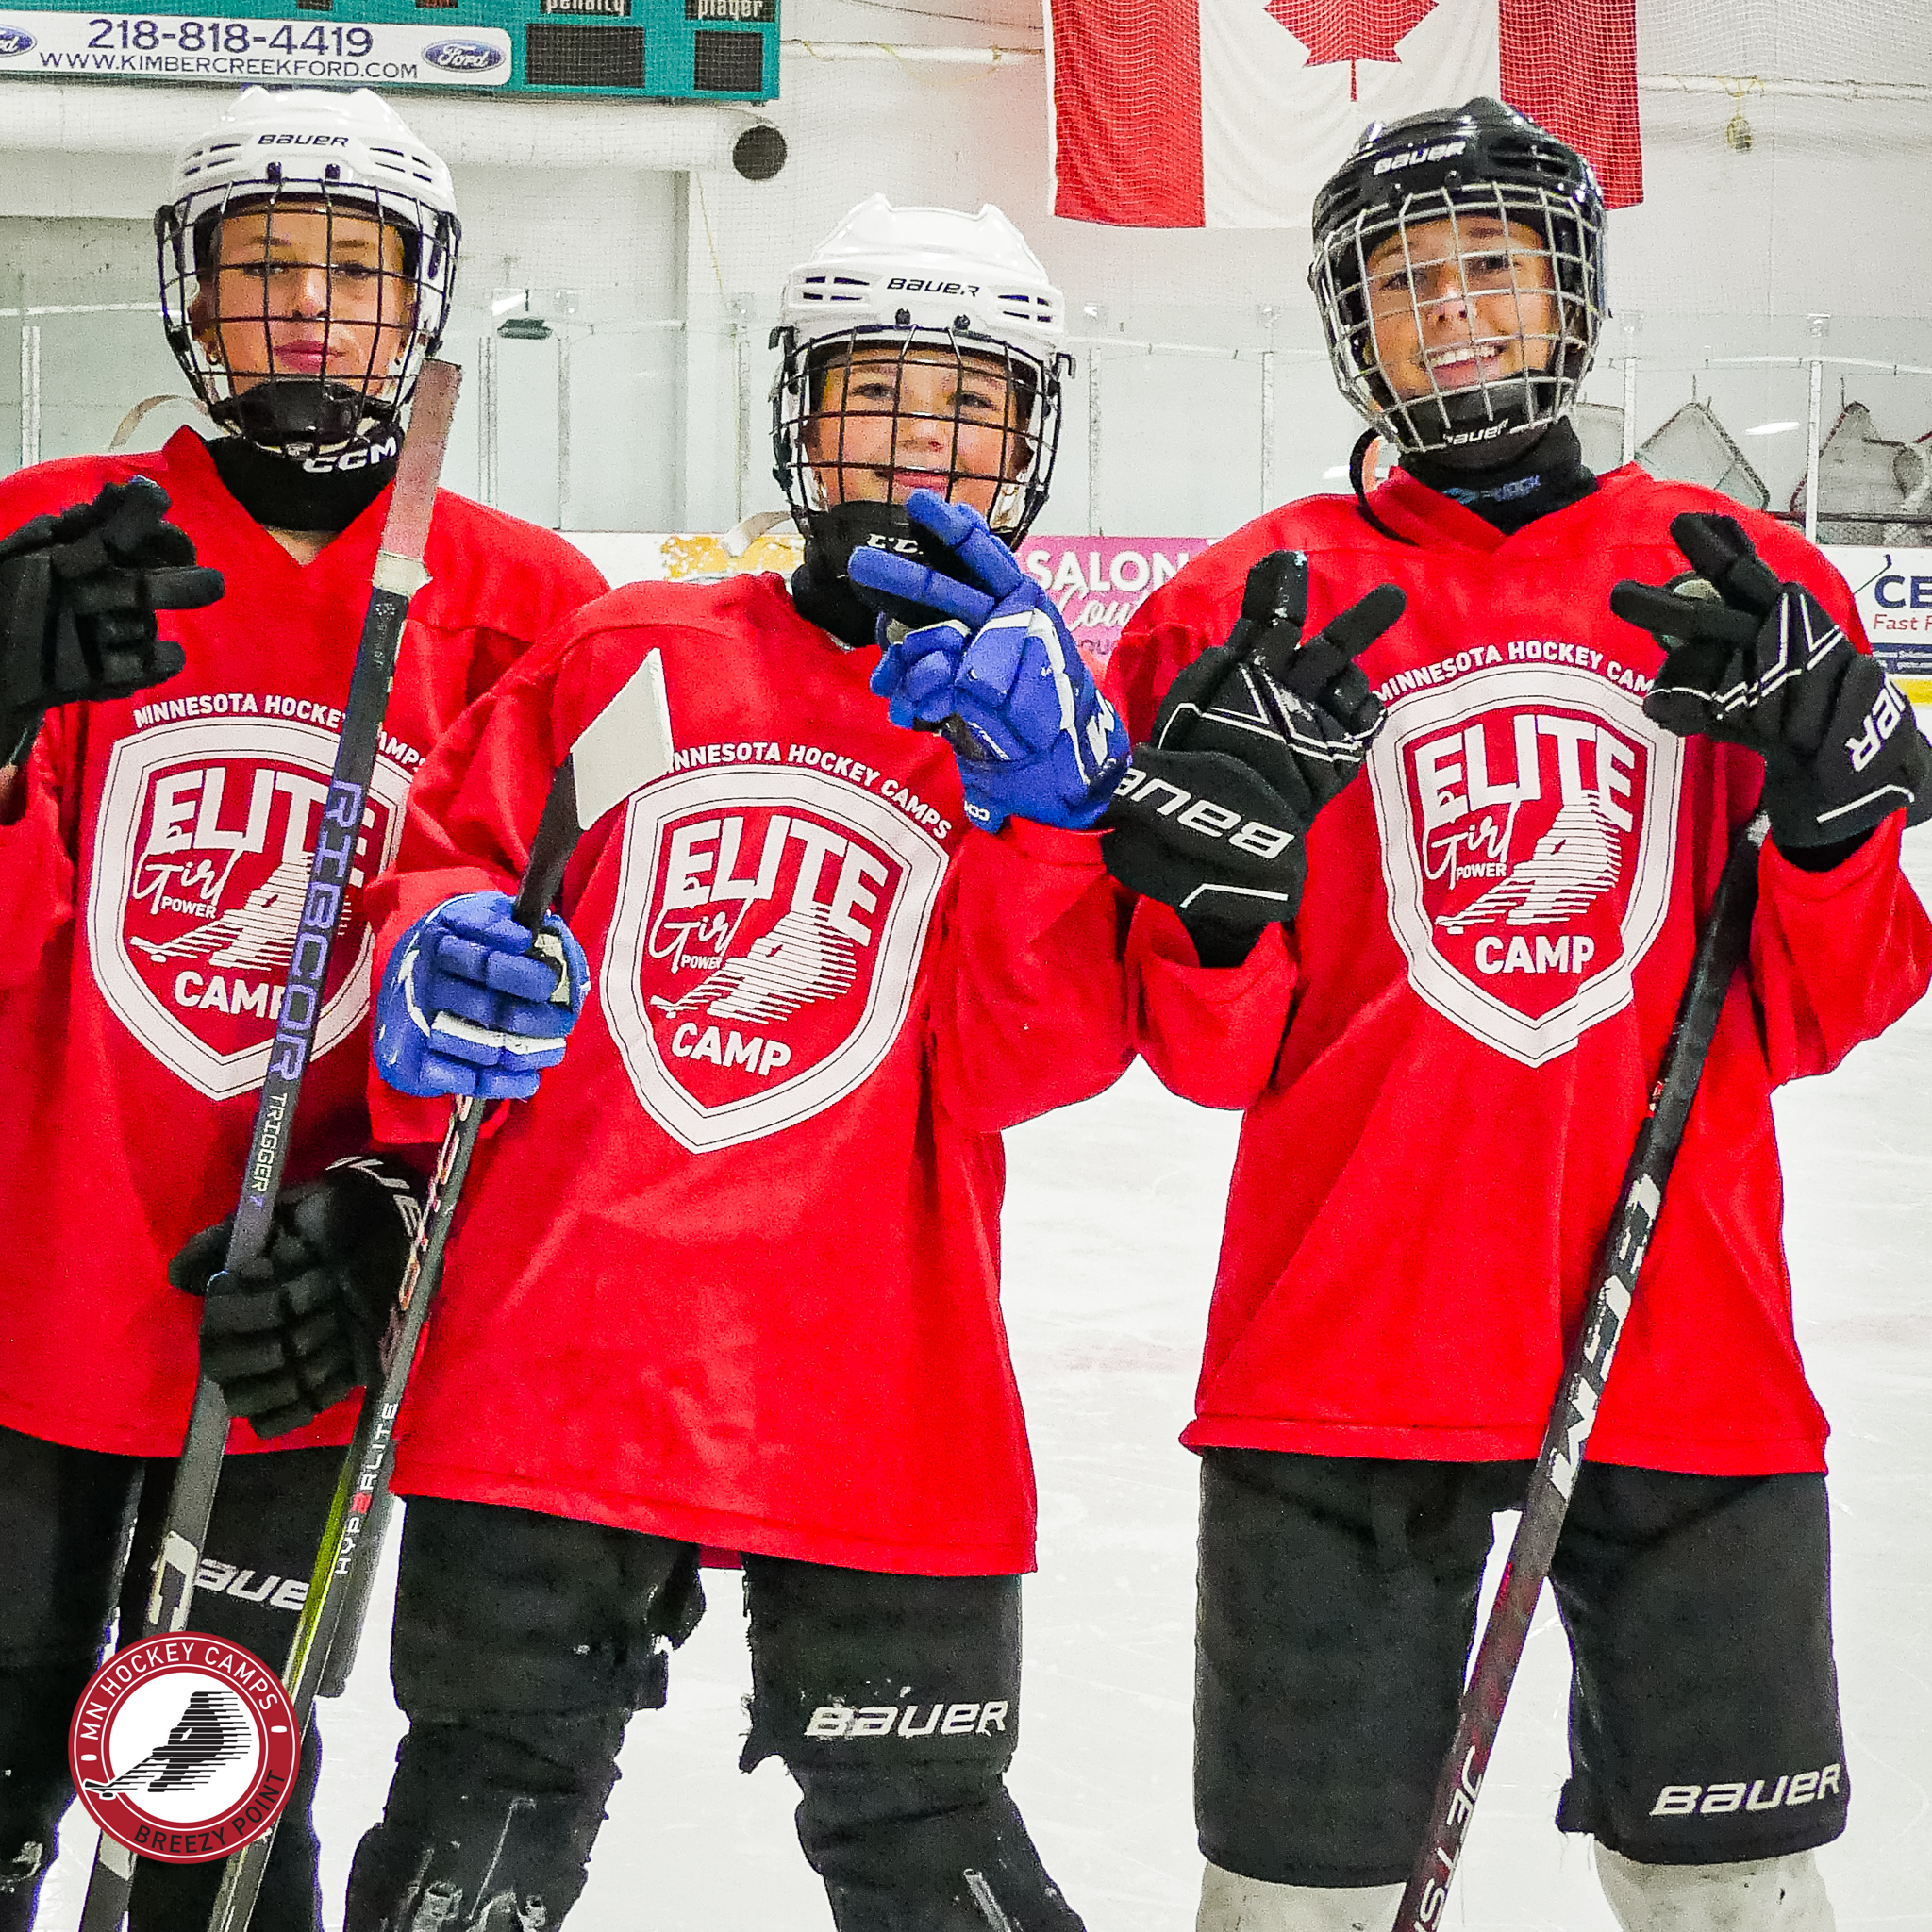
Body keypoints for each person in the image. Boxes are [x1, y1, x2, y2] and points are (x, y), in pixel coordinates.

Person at [858, 97, 1932, 1932]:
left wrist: (1831, 832)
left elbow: (1822, 1012)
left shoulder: (1740, 584)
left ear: (1566, 292)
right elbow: (1204, 1058)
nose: (1450, 311)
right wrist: (1212, 901)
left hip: (1687, 1349)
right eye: (1404, 278)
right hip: (1340, 1361)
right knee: (1289, 1902)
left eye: (1490, 268)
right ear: (1350, 315)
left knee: (1736, 1886)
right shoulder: (1235, 608)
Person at [344, 194, 1128, 1932]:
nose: (922, 440)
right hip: (567, 1353)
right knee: (479, 1813)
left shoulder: (1028, 725)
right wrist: (427, 961)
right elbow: (452, 861)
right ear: (800, 408)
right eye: (879, 389)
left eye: (970, 402)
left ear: (1029, 437)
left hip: (878, 1372)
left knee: (929, 1833)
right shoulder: (636, 655)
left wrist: (1059, 824)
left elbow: (1036, 1059)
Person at [0, 85, 604, 1931]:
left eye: (355, 271)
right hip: (29, 1300)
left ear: (424, 306)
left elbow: (556, 997)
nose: (311, 313)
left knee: (218, 1795)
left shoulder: (533, 608)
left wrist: (399, 1210)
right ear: (193, 293)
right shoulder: (56, 548)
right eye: (267, 267)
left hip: (299, 1331)